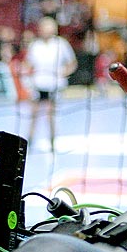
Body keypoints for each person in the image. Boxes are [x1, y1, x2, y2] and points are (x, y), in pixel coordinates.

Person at [24, 16, 77, 153]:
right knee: (33, 114)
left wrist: (64, 73)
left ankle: (53, 143)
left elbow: (72, 63)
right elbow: (28, 64)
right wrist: (27, 78)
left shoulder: (61, 44)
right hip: (38, 84)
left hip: (54, 84)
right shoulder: (35, 45)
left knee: (51, 115)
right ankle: (29, 142)